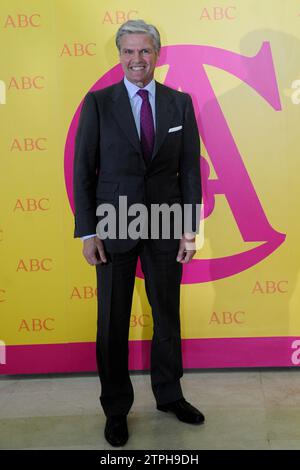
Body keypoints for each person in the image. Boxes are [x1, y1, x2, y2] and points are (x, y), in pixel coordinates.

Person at [73, 19, 204, 447]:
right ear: (119, 55)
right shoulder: (98, 103)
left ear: (157, 54)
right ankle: (115, 407)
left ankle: (169, 395)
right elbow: (83, 173)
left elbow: (189, 173)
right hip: (114, 224)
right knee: (111, 320)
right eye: (128, 51)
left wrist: (190, 229)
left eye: (144, 51)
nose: (136, 59)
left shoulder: (180, 104)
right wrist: (88, 232)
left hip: (167, 223)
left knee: (166, 314)